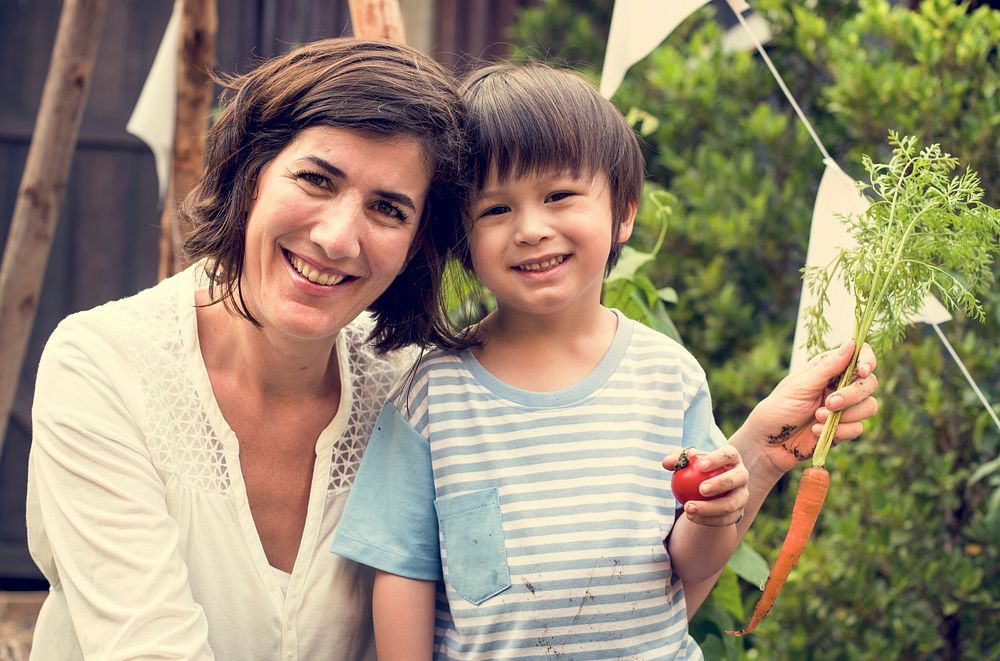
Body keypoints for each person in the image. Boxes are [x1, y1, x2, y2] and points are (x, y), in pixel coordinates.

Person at [331, 62, 879, 660]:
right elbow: (403, 572)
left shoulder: (667, 377)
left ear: (623, 212)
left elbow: (689, 565)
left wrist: (715, 516)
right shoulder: (431, 395)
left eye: (559, 195)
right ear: (462, 240)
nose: (532, 229)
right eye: (495, 210)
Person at [25, 38, 469, 660]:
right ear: (249, 173)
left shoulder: (410, 389)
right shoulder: (103, 364)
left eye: (388, 209)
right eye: (316, 179)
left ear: (418, 244)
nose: (338, 238)